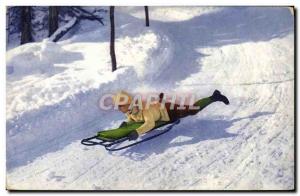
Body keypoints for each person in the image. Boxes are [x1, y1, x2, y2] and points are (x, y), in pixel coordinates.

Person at [113, 90, 229, 141]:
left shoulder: (144, 109)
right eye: (118, 106)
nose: (119, 109)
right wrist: (126, 124)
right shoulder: (131, 111)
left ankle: (214, 96)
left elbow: (150, 123)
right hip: (159, 107)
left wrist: (137, 132)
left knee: (192, 109)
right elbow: (132, 119)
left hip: (168, 110)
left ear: (129, 104)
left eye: (120, 106)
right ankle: (161, 99)